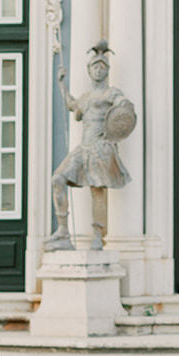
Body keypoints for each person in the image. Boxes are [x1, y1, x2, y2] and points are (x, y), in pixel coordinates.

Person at [47, 42, 135, 250]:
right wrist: (61, 84)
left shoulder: (111, 93)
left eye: (102, 67)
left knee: (97, 190)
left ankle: (98, 235)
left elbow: (125, 108)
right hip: (83, 148)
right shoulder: (86, 98)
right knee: (58, 179)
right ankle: (62, 232)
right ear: (89, 71)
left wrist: (120, 117)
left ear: (107, 71)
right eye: (95, 66)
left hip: (100, 148)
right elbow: (72, 106)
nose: (98, 69)